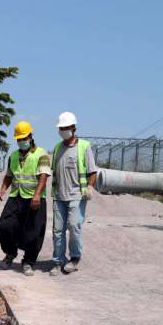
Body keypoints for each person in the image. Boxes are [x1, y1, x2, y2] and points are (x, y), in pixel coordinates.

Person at [0, 121, 51, 276]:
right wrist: (2, 189)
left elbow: (43, 176)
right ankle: (10, 253)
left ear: (30, 136)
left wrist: (37, 195)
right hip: (16, 197)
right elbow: (9, 176)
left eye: (24, 138)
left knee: (33, 233)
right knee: (5, 226)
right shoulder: (13, 156)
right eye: (19, 139)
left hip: (34, 198)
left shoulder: (42, 154)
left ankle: (28, 261)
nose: (21, 141)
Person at [49, 112, 98, 276]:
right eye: (61, 128)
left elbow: (92, 171)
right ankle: (58, 261)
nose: (63, 130)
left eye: (66, 127)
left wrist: (90, 188)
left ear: (73, 128)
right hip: (59, 196)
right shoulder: (57, 148)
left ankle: (75, 258)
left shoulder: (84, 146)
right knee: (57, 230)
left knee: (74, 226)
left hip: (77, 195)